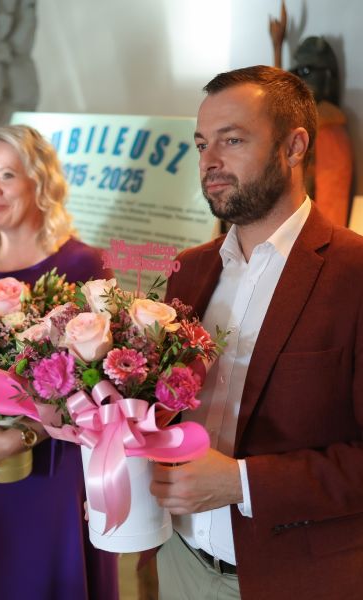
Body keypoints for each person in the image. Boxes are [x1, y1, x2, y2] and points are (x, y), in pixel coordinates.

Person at [150, 66, 363, 600]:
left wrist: (241, 482)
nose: (209, 163)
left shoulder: (354, 274)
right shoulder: (188, 270)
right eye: (202, 144)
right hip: (178, 560)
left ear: (294, 146)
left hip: (297, 579)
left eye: (232, 140)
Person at [0, 124, 119, 600]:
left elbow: (102, 388)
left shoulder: (83, 265)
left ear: (40, 181)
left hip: (54, 474)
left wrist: (21, 436)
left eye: (6, 175)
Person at [290, 36, 353, 228]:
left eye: (305, 71)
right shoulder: (306, 125)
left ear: (327, 76)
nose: (297, 79)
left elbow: (332, 204)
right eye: (295, 72)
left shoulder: (327, 128)